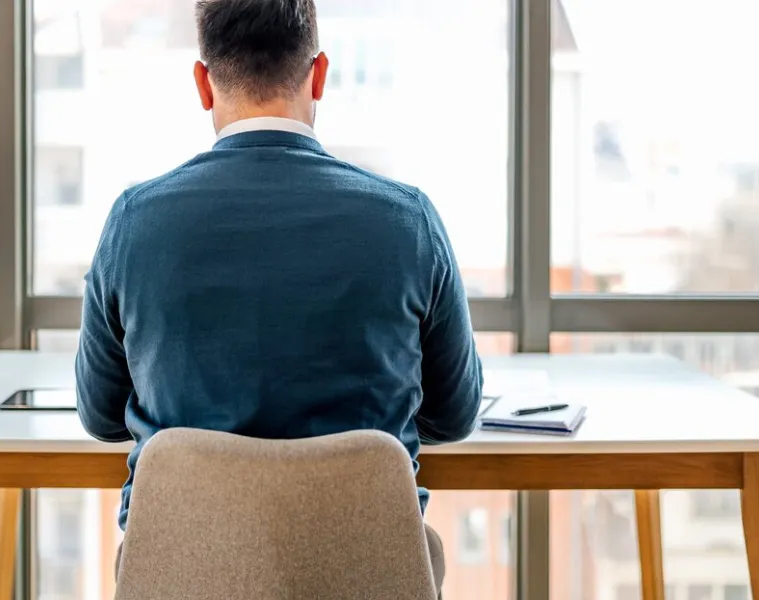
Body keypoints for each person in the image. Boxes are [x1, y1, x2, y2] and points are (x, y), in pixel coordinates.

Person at [75, 0, 483, 594]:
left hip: (182, 577)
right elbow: (455, 413)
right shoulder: (407, 221)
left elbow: (100, 416)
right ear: (318, 75)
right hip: (365, 576)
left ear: (202, 85)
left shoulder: (133, 223)